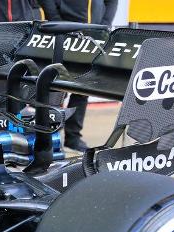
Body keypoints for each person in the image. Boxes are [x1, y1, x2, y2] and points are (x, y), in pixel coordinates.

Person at [38, 0, 118, 152]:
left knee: (82, 88)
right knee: (56, 86)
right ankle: (50, 135)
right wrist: (58, 22)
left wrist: (104, 25)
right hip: (64, 34)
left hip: (93, 35)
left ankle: (73, 137)